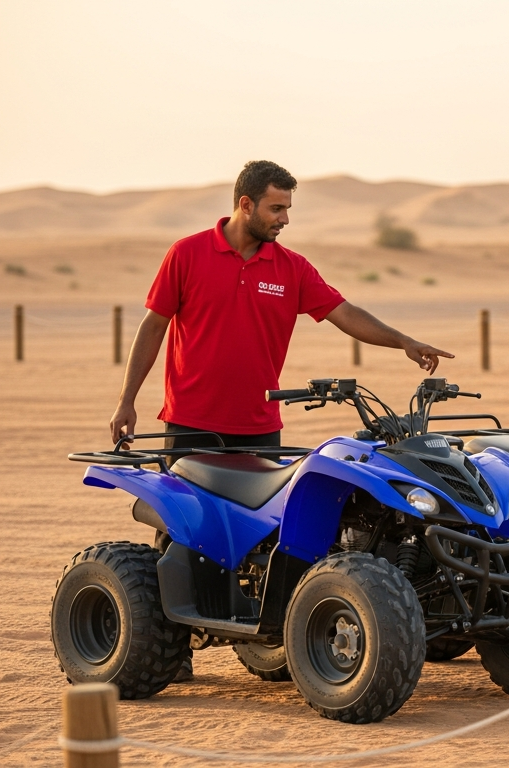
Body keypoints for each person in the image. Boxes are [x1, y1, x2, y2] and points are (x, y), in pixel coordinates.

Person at [107, 161, 451, 680]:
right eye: (276, 208)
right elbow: (153, 326)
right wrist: (127, 400)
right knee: (182, 533)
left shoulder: (290, 268)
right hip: (192, 421)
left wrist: (402, 341)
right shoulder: (187, 254)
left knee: (263, 536)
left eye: (288, 208)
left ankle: (273, 636)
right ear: (245, 204)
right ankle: (171, 650)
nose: (285, 218)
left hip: (259, 426)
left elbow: (343, 312)